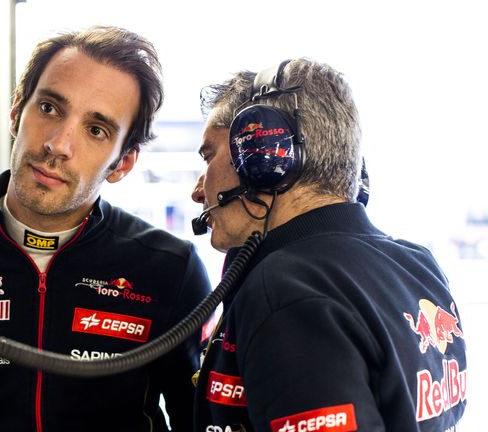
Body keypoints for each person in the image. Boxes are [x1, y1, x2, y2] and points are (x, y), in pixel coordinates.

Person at [0, 26, 212, 432]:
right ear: (16, 111)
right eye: (49, 108)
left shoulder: (171, 269)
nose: (58, 144)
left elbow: (198, 421)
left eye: (96, 130)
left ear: (123, 164)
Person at [190, 58, 467, 431]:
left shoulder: (287, 288)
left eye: (209, 156)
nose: (197, 190)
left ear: (263, 155)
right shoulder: (417, 264)